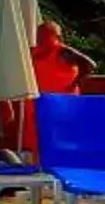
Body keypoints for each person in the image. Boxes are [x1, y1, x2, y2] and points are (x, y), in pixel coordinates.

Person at [15, 22, 95, 153]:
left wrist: (75, 82)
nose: (41, 38)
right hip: (38, 103)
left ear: (56, 36)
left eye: (45, 34)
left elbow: (90, 65)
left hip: (61, 104)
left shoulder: (64, 52)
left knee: (60, 139)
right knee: (36, 140)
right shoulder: (33, 52)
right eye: (39, 34)